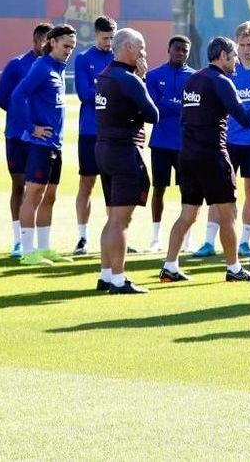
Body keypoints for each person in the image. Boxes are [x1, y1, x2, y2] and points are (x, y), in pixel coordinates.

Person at [160, 37, 250, 283]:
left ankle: (169, 266)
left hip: (187, 155)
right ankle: (234, 268)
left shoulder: (193, 80)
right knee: (228, 212)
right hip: (212, 156)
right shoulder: (222, 82)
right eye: (233, 56)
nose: (236, 61)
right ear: (222, 56)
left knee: (187, 214)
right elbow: (246, 119)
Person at [198, 22, 250, 258]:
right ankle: (208, 241)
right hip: (227, 140)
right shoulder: (229, 71)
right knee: (218, 190)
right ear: (236, 45)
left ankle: (244, 241)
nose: (246, 49)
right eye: (242, 45)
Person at [95, 28, 159, 294]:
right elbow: (153, 114)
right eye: (141, 48)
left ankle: (106, 274)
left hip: (104, 149)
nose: (144, 53)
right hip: (124, 152)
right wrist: (142, 79)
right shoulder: (129, 79)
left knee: (112, 218)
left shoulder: (105, 76)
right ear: (129, 48)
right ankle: (119, 280)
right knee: (121, 220)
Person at [11, 25, 78, 266]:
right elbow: (17, 96)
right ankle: (27, 252)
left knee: (50, 196)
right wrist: (32, 128)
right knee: (34, 195)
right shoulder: (41, 66)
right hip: (40, 144)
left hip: (55, 144)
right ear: (52, 43)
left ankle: (45, 247)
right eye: (65, 46)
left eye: (72, 47)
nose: (69, 51)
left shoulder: (59, 69)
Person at [0, 22, 52, 257]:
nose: (48, 46)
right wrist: (26, 119)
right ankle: (18, 240)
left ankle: (39, 243)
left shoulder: (52, 66)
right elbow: (2, 99)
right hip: (18, 135)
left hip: (42, 139)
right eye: (45, 41)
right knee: (19, 185)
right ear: (36, 40)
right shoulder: (17, 65)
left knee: (38, 189)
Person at [145, 35, 195, 252]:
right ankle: (156, 238)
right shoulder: (154, 75)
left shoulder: (194, 77)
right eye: (177, 49)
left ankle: (187, 239)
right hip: (161, 142)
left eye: (184, 50)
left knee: (188, 191)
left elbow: (191, 109)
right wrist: (176, 106)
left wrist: (168, 104)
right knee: (158, 189)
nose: (180, 53)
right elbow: (154, 108)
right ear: (169, 49)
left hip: (185, 144)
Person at [72, 16, 117, 255]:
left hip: (113, 131)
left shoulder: (118, 57)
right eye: (105, 38)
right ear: (96, 35)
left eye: (112, 38)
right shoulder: (83, 59)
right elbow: (84, 94)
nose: (109, 42)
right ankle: (82, 237)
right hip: (90, 130)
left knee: (113, 185)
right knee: (87, 183)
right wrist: (111, 88)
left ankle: (116, 234)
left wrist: (101, 88)